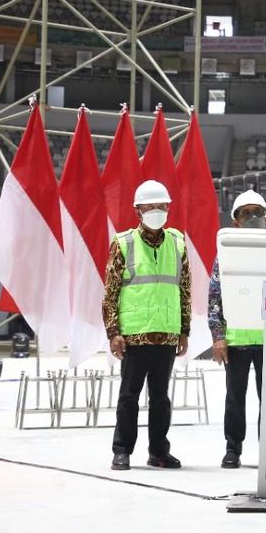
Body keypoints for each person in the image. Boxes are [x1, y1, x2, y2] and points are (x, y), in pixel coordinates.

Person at [104, 180, 190, 471]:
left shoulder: (178, 242)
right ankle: (122, 450)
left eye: (161, 206)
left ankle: (159, 452)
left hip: (166, 333)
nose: (157, 210)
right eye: (150, 206)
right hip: (134, 335)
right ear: (137, 210)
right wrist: (113, 332)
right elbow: (111, 291)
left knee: (161, 399)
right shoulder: (124, 242)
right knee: (129, 396)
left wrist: (185, 330)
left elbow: (185, 288)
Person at [209, 190, 266, 470]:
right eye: (247, 213)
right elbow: (215, 297)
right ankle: (232, 449)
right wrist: (219, 337)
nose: (253, 217)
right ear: (236, 221)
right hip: (235, 340)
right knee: (235, 399)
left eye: (258, 212)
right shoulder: (226, 256)